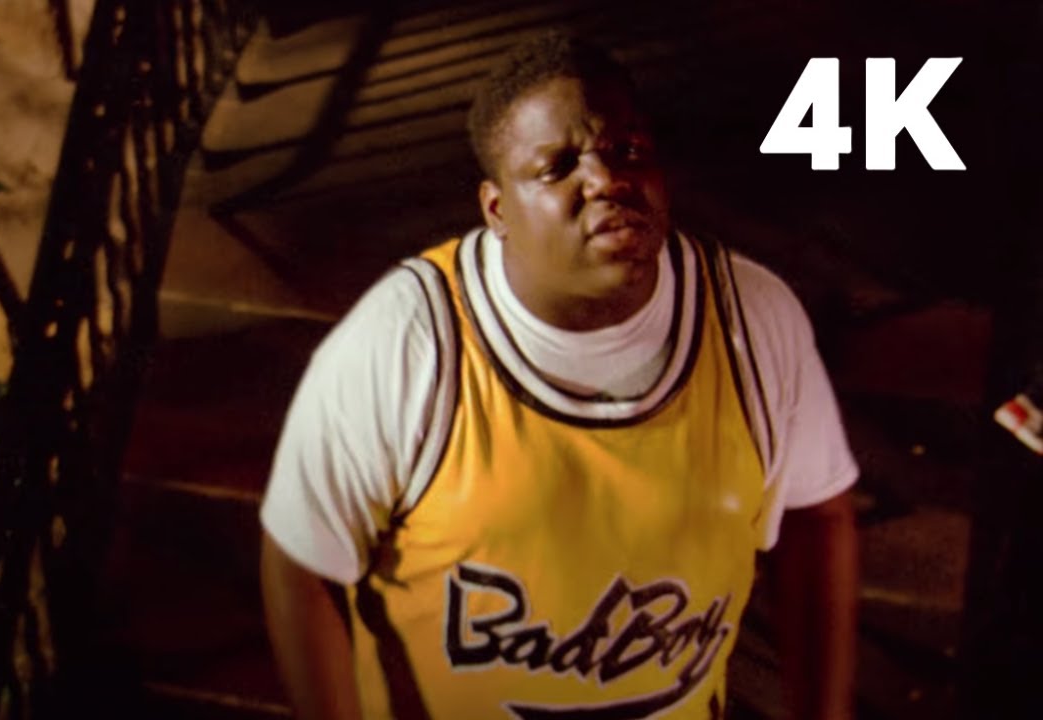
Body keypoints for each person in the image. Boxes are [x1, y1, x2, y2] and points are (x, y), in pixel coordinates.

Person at [259, 32, 859, 720]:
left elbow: (818, 512)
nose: (605, 180)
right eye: (558, 167)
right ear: (496, 211)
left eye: (627, 151)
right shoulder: (408, 339)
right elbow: (302, 563)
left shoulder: (749, 317)